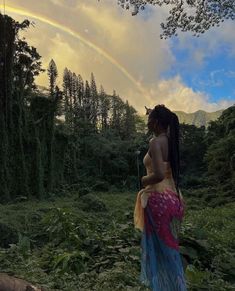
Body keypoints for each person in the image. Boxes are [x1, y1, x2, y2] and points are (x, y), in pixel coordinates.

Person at [134, 104, 187, 290]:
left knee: (160, 251)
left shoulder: (155, 143)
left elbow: (157, 175)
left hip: (158, 199)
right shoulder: (171, 142)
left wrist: (143, 179)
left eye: (149, 120)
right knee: (170, 248)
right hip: (174, 199)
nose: (147, 123)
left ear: (155, 123)